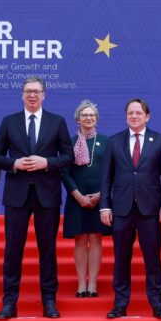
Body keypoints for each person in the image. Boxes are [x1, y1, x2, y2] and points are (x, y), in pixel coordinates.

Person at [0, 76, 73, 320]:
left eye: (37, 91)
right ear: (22, 95)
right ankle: (9, 302)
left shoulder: (56, 122)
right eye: (28, 91)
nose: (33, 95)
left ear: (44, 95)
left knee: (47, 250)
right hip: (17, 195)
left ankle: (49, 300)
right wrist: (14, 163)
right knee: (12, 250)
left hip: (47, 195)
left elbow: (68, 156)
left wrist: (47, 162)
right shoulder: (9, 122)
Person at [100, 98, 161, 319]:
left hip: (150, 210)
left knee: (153, 259)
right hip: (121, 210)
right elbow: (106, 178)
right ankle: (120, 304)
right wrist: (104, 206)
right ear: (126, 116)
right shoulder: (114, 142)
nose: (134, 116)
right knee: (121, 259)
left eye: (138, 113)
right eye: (130, 113)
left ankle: (157, 304)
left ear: (147, 116)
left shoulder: (160, 141)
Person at [62, 100, 110, 298]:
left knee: (96, 239)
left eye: (92, 115)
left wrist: (101, 195)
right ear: (78, 119)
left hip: (100, 197)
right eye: (84, 115)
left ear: (97, 119)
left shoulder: (107, 142)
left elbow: (111, 171)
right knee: (80, 240)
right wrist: (78, 195)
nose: (88, 118)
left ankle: (93, 283)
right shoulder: (69, 143)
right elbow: (64, 172)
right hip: (77, 198)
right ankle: (81, 282)